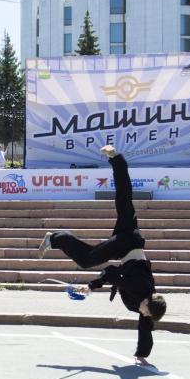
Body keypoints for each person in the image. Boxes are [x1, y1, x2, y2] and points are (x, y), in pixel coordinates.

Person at [38, 145, 167, 365]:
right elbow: (111, 272)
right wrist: (90, 287)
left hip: (132, 239)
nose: (143, 314)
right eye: (145, 311)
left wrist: (141, 356)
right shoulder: (141, 288)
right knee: (87, 259)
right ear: (147, 303)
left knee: (124, 198)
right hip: (125, 245)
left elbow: (146, 327)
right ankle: (55, 238)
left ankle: (117, 158)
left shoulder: (149, 304)